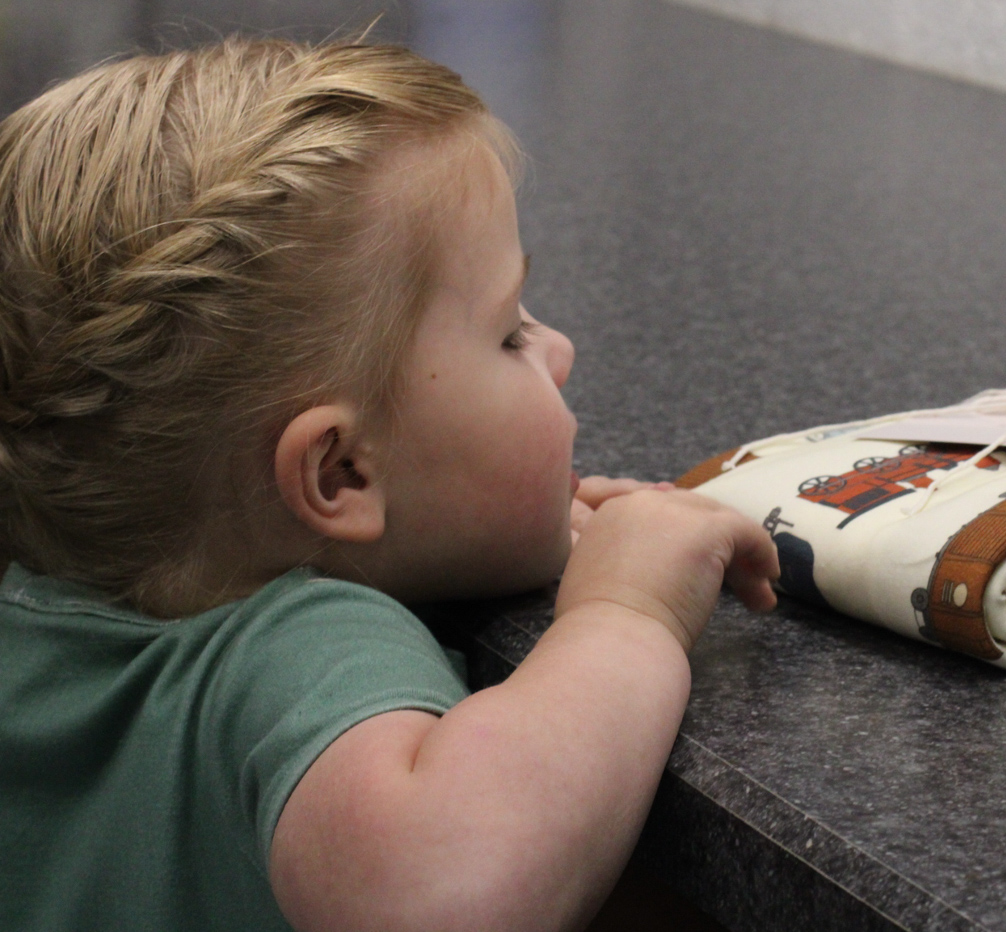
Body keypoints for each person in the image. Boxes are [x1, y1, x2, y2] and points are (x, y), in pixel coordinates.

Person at [0, 35, 779, 932]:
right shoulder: (298, 646)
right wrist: (627, 612)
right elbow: (449, 896)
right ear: (340, 472)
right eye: (508, 336)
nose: (558, 351)